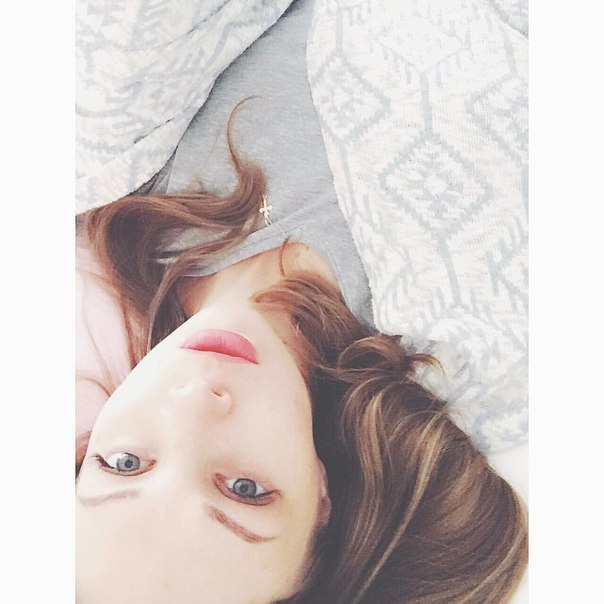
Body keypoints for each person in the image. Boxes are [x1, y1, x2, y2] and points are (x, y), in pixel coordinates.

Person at [75, 119, 528, 604]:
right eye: (245, 489)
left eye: (124, 463)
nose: (193, 401)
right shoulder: (473, 314)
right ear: (321, 499)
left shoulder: (120, 185)